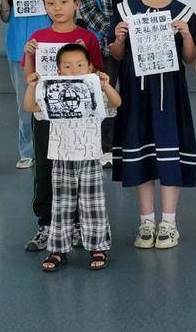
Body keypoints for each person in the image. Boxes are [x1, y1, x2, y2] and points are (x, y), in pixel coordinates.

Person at [108, 0, 196, 250]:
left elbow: (190, 58)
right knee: (142, 156)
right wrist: (119, 38)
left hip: (170, 95)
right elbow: (116, 54)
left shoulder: (184, 13)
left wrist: (186, 36)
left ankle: (169, 223)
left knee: (170, 154)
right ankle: (146, 221)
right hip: (136, 95)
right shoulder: (125, 10)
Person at [21, 0, 105, 252]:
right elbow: (29, 77)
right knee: (45, 168)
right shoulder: (38, 38)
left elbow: (97, 74)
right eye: (51, 3)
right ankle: (46, 223)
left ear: (76, 4)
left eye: (64, 2)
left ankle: (78, 223)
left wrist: (85, 54)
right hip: (47, 115)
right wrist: (29, 56)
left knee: (79, 171)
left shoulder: (87, 38)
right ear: (44, 6)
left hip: (80, 120)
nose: (57, 8)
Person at [24, 43, 121, 272]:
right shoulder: (53, 93)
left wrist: (106, 85)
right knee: (61, 205)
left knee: (92, 204)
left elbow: (116, 103)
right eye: (67, 66)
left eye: (80, 65)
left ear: (90, 67)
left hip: (90, 157)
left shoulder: (94, 91)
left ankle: (98, 246)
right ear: (58, 71)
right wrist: (32, 86)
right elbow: (30, 107)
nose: (74, 70)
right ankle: (58, 249)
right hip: (61, 157)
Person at [74, 0, 127, 166]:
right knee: (105, 93)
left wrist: (130, 31)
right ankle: (106, 149)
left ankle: (131, 144)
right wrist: (112, 33)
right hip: (104, 41)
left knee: (135, 94)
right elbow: (85, 5)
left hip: (136, 37)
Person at [0, 0, 55, 169]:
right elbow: (4, 17)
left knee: (52, 99)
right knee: (25, 102)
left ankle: (53, 149)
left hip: (50, 47)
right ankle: (27, 151)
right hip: (19, 49)